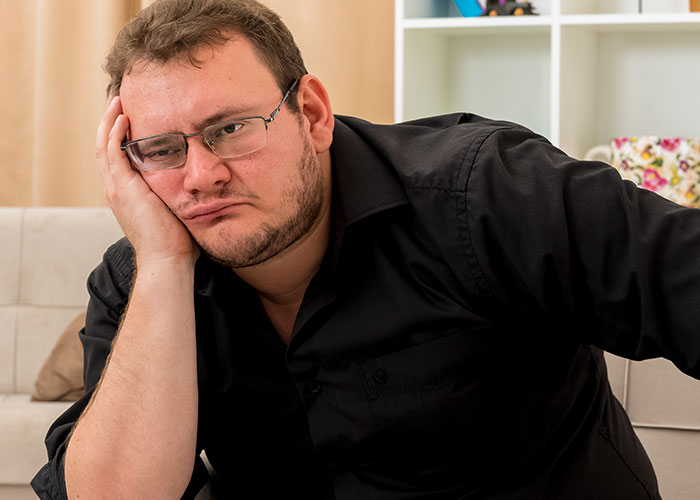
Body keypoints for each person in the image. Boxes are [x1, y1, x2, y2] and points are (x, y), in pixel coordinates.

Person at [31, 0, 700, 499]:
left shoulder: (484, 193)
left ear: (313, 114)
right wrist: (165, 265)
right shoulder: (142, 279)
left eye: (230, 129)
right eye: (162, 150)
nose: (201, 175)